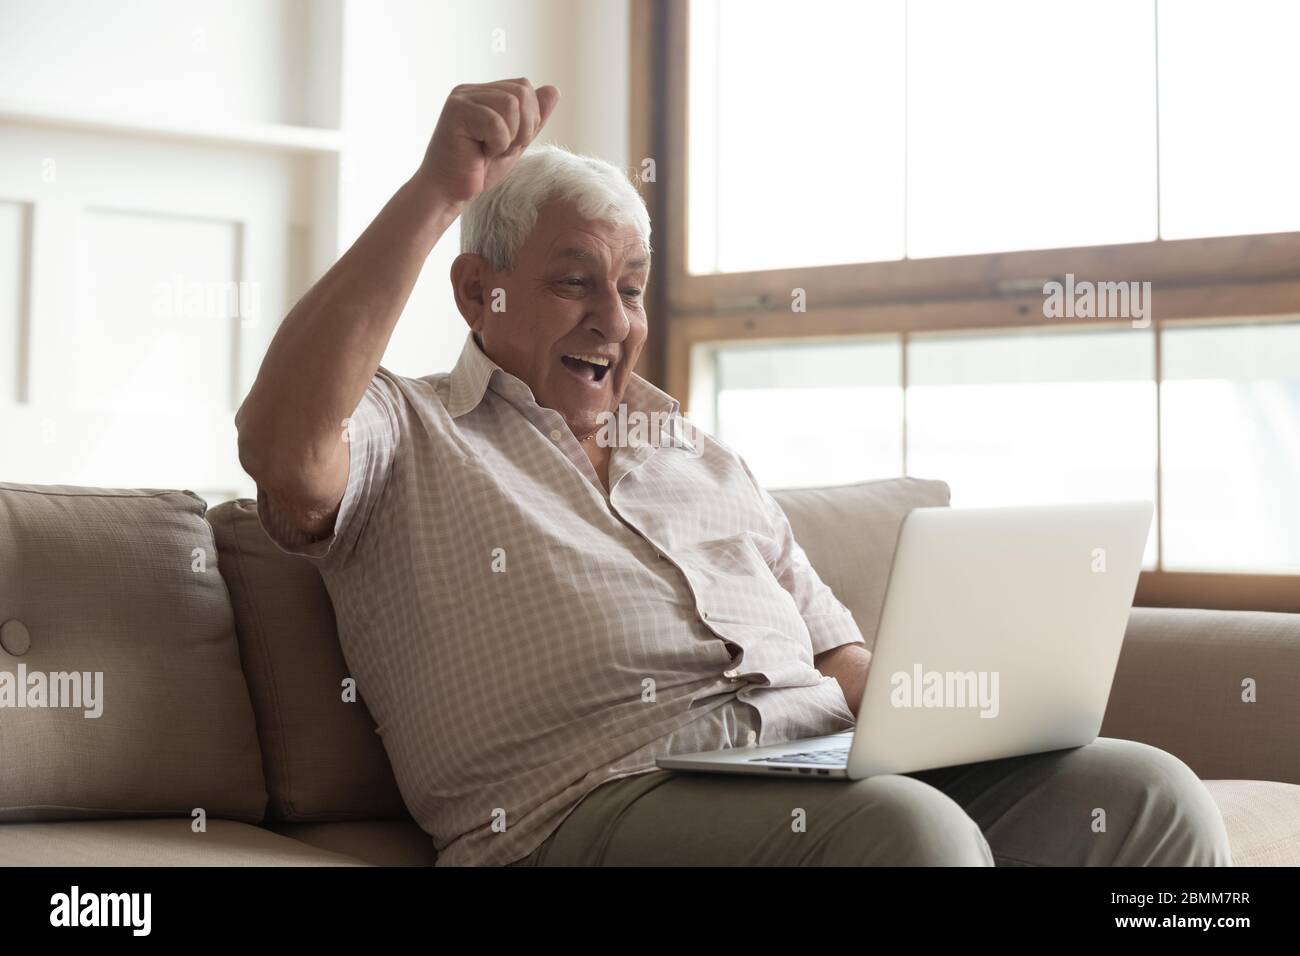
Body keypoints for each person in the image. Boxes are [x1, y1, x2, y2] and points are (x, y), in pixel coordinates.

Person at [235, 78, 1232, 867]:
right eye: (573, 280)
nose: (612, 318)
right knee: (903, 835)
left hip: (815, 767)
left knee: (1143, 792)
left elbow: (842, 662)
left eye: (628, 288)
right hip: (577, 811)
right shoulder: (406, 433)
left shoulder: (705, 459)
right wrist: (437, 192)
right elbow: (281, 446)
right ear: (476, 290)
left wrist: (956, 716)